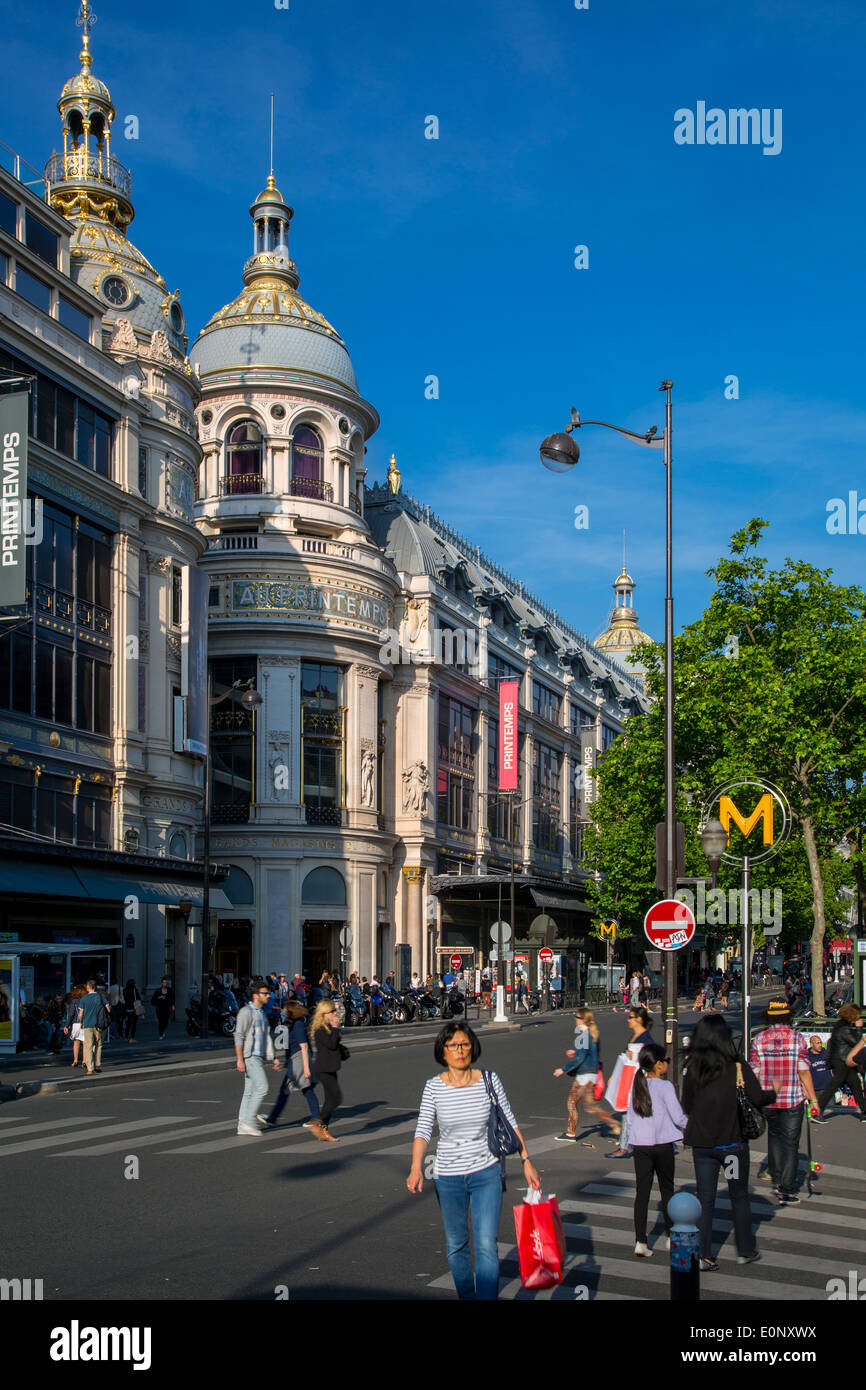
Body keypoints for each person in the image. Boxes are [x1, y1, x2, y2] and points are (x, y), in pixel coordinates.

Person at [407, 1020, 541, 1300]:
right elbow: (423, 1130)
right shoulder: (433, 1087)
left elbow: (510, 1121)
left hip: (486, 1172)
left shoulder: (490, 1081)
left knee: (485, 1246)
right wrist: (416, 1167)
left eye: (465, 1044)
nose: (460, 1051)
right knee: (457, 1245)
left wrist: (526, 1160)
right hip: (448, 1176)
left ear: (473, 1047)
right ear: (442, 1051)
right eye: (453, 1045)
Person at [682, 1013, 776, 1269]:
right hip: (731, 1145)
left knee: (705, 1198)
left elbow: (686, 1105)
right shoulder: (736, 1067)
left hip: (703, 1147)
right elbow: (757, 1098)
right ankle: (745, 1249)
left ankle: (703, 1254)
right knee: (738, 1195)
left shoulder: (692, 1069)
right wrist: (773, 1091)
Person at [750, 997, 819, 1203]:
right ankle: (787, 1188)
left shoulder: (759, 1039)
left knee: (774, 1134)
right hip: (792, 1097)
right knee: (791, 1142)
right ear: (788, 1016)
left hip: (769, 1097)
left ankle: (776, 1173)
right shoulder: (797, 1038)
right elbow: (804, 1072)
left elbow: (755, 1071)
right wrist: (813, 1098)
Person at [628, 1043, 688, 1257]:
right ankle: (671, 1235)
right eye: (666, 1061)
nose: (668, 1064)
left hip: (641, 1145)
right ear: (659, 1064)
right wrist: (695, 1125)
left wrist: (629, 1142)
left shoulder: (636, 1084)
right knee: (667, 1190)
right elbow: (678, 1117)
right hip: (663, 1144)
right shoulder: (665, 1087)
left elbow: (629, 1118)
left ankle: (640, 1241)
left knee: (641, 1193)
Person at [260, 1001, 326, 1138]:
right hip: (295, 1061)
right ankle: (272, 1118)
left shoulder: (298, 1025)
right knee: (287, 1090)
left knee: (305, 1089)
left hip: (299, 1061)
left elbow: (304, 1046)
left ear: (291, 1012)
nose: (284, 1012)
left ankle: (315, 1118)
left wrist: (307, 1068)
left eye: (285, 1010)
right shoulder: (295, 1023)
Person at [553, 1007, 621, 1143]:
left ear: (583, 1019)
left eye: (577, 1017)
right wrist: (576, 1053)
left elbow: (580, 1059)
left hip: (584, 1076)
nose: (575, 1020)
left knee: (584, 1105)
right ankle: (571, 1132)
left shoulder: (585, 1036)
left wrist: (563, 1069)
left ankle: (615, 1125)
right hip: (589, 1075)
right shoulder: (592, 1034)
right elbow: (587, 1054)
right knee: (579, 1103)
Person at [607, 1008, 655, 1159]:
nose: (628, 1019)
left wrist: (634, 1055)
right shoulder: (635, 1036)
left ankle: (624, 1148)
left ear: (639, 1019)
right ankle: (629, 1145)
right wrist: (615, 1076)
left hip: (638, 1080)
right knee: (631, 1112)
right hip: (630, 1079)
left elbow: (648, 1059)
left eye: (631, 1017)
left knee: (629, 1113)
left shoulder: (645, 1038)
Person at [812, 1004, 866, 1121]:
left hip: (841, 1060)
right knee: (833, 1087)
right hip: (842, 1061)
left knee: (855, 1085)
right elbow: (856, 1042)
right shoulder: (844, 1028)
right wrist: (859, 1028)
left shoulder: (840, 1025)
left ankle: (864, 1111)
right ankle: (817, 1112)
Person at [234, 980, 275, 1136]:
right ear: (255, 995)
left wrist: (272, 1057)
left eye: (268, 993)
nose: (268, 996)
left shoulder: (261, 1012)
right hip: (250, 1056)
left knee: (249, 1092)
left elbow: (265, 1036)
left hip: (258, 1056)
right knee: (262, 1088)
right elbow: (239, 1036)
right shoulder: (246, 1012)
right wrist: (240, 1059)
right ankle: (249, 1121)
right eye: (265, 994)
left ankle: (243, 1123)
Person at [309, 1000, 345, 1139]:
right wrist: (336, 1028)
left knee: (330, 1098)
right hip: (323, 1067)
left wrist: (335, 1029)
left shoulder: (327, 1027)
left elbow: (334, 1043)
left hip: (330, 1066)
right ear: (324, 1013)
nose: (334, 1014)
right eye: (331, 1012)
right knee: (336, 1099)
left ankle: (324, 1130)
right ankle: (317, 1122)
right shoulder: (320, 1029)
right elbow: (331, 1044)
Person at [77, 978, 110, 1075]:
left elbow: (80, 1014)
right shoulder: (101, 997)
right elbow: (108, 1009)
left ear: (87, 987)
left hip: (87, 1024)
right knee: (99, 1045)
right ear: (95, 987)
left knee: (88, 1046)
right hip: (99, 1024)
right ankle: (98, 1064)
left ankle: (90, 1068)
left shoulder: (84, 999)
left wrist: (81, 1022)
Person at [64, 985, 86, 1066]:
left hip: (76, 1023)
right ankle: (84, 1060)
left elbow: (70, 1014)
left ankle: (75, 1060)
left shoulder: (74, 1002)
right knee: (85, 1043)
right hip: (85, 1023)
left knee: (76, 1042)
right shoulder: (86, 1000)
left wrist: (66, 1025)